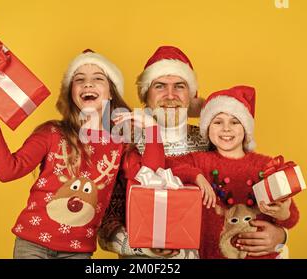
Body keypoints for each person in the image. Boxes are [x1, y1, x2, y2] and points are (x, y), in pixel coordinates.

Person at [0, 49, 164, 259]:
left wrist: (153, 133)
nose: (88, 84)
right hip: (33, 244)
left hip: (78, 252)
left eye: (98, 78)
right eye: (80, 79)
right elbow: (7, 171)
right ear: (71, 92)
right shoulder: (51, 133)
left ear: (111, 92)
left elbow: (149, 179)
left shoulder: (120, 144)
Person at [98, 46, 289, 259]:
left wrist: (280, 236)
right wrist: (144, 247)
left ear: (192, 95)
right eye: (159, 86)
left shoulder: (214, 140)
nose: (170, 96)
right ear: (145, 95)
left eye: (179, 86)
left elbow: (246, 201)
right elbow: (105, 225)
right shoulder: (124, 147)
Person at [167, 85, 299, 259]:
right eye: (218, 122)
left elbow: (292, 218)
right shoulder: (199, 161)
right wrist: (196, 175)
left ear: (246, 129)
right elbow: (167, 164)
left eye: (235, 122)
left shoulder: (266, 165)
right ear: (207, 128)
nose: (226, 128)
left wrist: (284, 214)